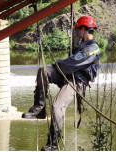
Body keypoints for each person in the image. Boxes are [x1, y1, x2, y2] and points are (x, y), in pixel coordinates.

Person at [22, 15, 100, 151]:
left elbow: (72, 63)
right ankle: (39, 108)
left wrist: (58, 63)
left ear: (83, 29)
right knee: (44, 71)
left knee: (57, 106)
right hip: (67, 75)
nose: (76, 33)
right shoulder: (82, 46)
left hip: (77, 81)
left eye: (77, 30)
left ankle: (54, 142)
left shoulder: (91, 49)